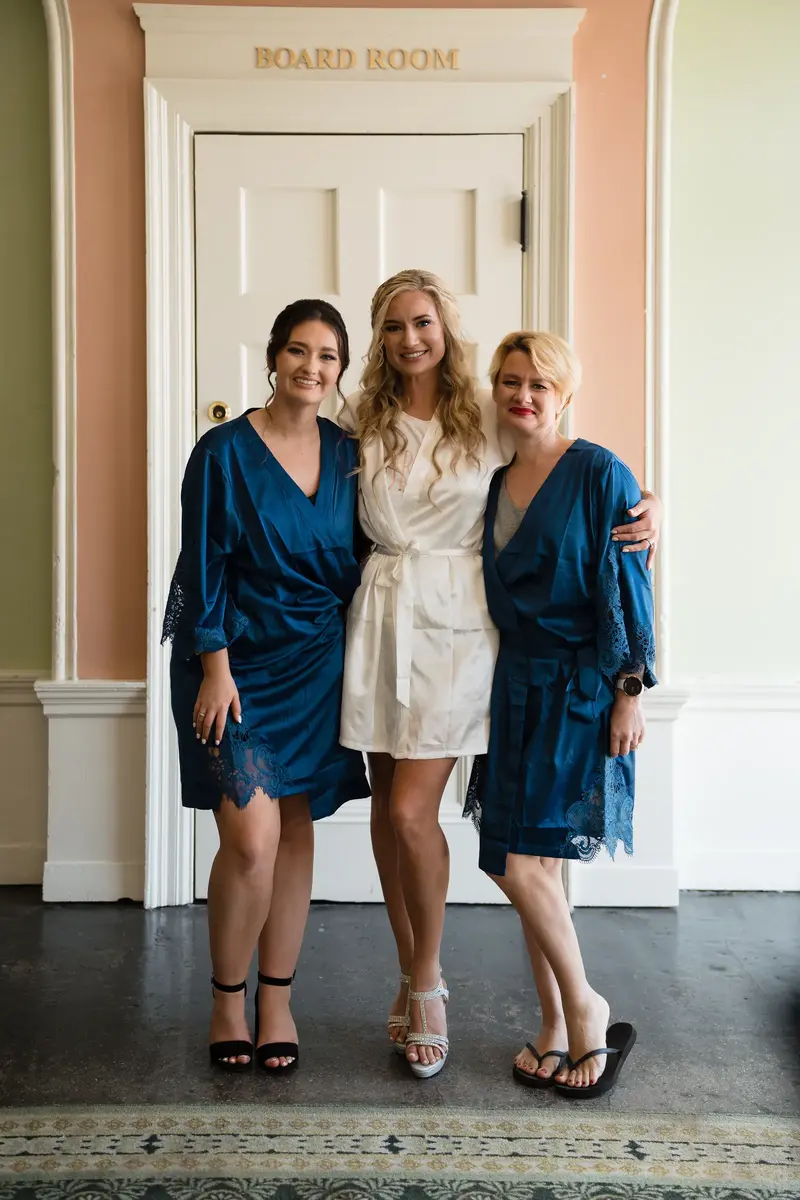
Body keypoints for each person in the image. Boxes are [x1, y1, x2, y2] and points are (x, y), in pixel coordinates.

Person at [338, 269, 662, 1079]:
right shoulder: (359, 420)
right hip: (379, 618)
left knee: (416, 812)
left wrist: (654, 504)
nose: (409, 339)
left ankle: (430, 983)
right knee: (387, 805)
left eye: (423, 323)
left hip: (459, 625)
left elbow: (571, 463)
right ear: (378, 338)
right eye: (391, 326)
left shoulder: (481, 410)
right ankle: (416, 976)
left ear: (444, 327)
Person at [162, 298, 369, 1073]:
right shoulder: (222, 452)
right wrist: (212, 666)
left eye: (327, 356)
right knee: (251, 840)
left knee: (296, 828)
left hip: (319, 663)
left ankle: (275, 997)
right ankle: (225, 999)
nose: (311, 368)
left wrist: (638, 508)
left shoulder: (352, 453)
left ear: (340, 370)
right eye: (298, 351)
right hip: (237, 666)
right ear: (273, 358)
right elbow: (203, 566)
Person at [464, 330, 656, 1099]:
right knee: (528, 863)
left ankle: (586, 1008)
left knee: (522, 864)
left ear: (564, 392)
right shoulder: (495, 478)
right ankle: (551, 1024)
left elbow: (633, 587)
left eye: (540, 383)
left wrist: (630, 690)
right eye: (511, 381)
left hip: (581, 688)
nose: (524, 395)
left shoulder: (601, 471)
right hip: (513, 685)